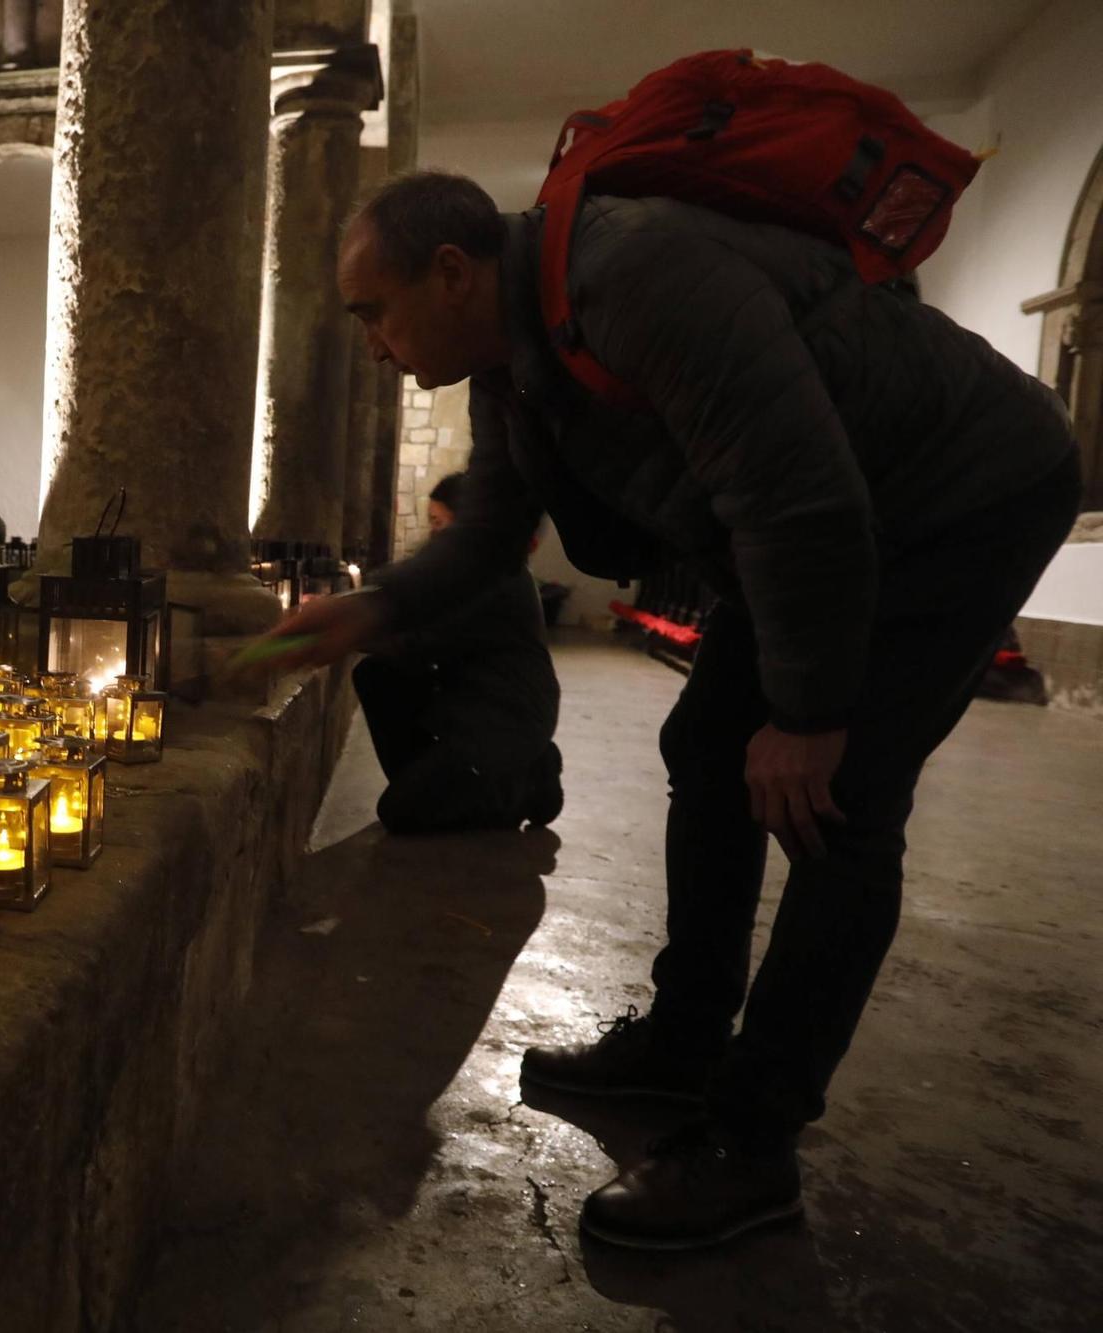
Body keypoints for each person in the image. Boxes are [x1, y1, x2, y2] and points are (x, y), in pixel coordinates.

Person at [274, 171, 1080, 1250]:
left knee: (835, 800)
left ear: (452, 272)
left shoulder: (635, 273)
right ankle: (684, 1039)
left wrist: (806, 710)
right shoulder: (507, 360)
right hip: (822, 517)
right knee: (705, 740)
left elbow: (796, 493)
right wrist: (369, 610)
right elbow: (487, 535)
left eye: (372, 309)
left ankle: (751, 1144)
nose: (370, 343)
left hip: (960, 494)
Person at [352, 472, 561, 834]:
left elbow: (418, 645)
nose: (434, 535)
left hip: (505, 720)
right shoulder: (470, 570)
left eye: (439, 523)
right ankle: (436, 781)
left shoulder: (489, 576)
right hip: (469, 709)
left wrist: (345, 629)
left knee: (398, 813)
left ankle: (527, 784)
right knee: (375, 674)